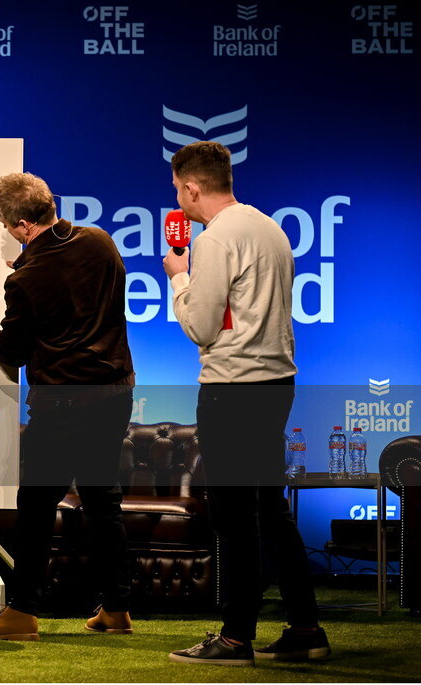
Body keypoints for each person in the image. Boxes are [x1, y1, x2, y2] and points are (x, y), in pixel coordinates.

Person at [163, 141, 330, 665]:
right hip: (275, 386)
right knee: (270, 511)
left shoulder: (216, 239)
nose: (179, 199)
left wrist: (178, 277)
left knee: (234, 517)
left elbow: (200, 326)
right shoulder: (270, 228)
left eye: (177, 190)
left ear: (192, 187)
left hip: (233, 390)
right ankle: (305, 629)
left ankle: (235, 638)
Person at [0, 172, 135, 641]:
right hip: (115, 393)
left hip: (63, 402)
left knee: (35, 506)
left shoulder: (27, 278)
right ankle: (116, 610)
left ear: (18, 223)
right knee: (102, 502)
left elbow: (11, 352)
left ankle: (21, 614)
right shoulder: (99, 242)